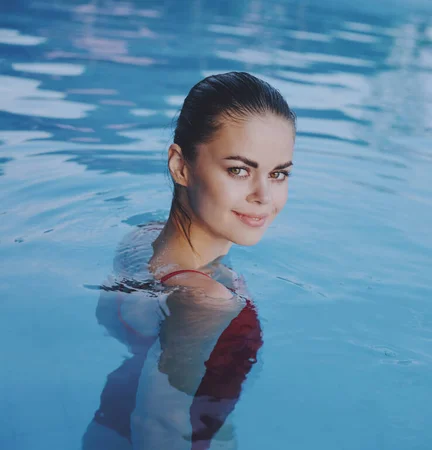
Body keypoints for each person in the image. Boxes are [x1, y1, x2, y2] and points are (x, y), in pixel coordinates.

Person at [82, 72, 296, 449]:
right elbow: (160, 429)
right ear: (181, 166)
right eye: (239, 170)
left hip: (111, 424)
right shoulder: (203, 300)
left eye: (278, 174)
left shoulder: (143, 242)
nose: (264, 195)